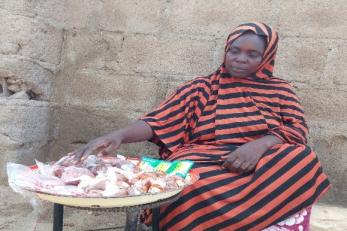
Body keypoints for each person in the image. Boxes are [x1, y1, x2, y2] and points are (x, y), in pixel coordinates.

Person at [70, 22, 331, 230]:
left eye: (253, 54)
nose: (240, 59)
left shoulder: (280, 90)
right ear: (226, 51)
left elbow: (297, 130)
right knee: (183, 183)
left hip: (262, 162)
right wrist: (117, 135)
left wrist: (258, 146)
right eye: (234, 51)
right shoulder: (202, 87)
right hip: (205, 160)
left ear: (267, 57)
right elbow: (158, 120)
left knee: (302, 158)